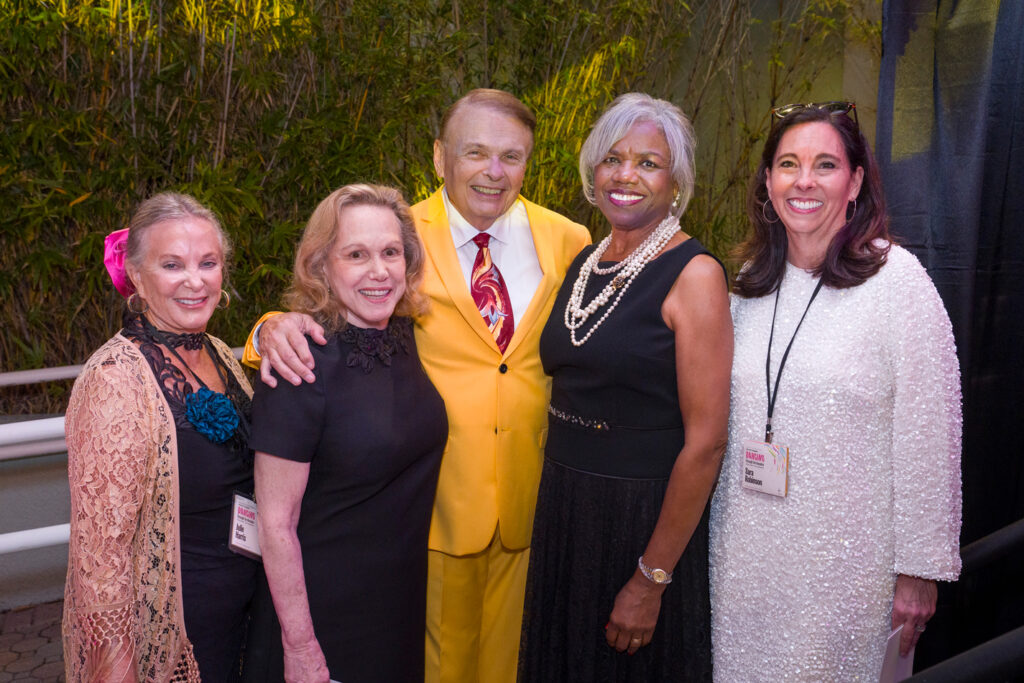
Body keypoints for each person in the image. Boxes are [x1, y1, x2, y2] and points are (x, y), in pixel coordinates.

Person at [243, 89, 591, 682]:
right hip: (428, 513)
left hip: (526, 506)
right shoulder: (399, 234)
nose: (493, 171)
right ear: (439, 157)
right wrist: (267, 329)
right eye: (475, 152)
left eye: (512, 156)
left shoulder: (569, 239)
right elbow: (326, 305)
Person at [709, 102, 962, 681]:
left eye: (825, 165)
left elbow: (932, 431)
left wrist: (920, 569)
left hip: (849, 570)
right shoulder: (747, 287)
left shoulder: (897, 282)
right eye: (788, 164)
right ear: (767, 182)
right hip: (744, 558)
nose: (803, 181)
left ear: (855, 183)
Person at [517, 93, 732, 681]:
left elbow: (708, 442)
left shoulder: (696, 275)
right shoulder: (585, 261)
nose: (626, 175)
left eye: (648, 163)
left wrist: (650, 578)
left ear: (676, 182)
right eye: (613, 158)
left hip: (641, 523)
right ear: (593, 170)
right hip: (566, 509)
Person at [242, 184, 447, 683]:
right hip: (324, 621)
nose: (378, 270)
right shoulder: (300, 363)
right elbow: (275, 524)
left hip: (397, 608)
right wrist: (301, 647)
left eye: (391, 253)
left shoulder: (405, 336)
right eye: (356, 254)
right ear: (321, 266)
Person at [63, 193, 258, 682]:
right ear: (137, 277)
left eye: (208, 263)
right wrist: (117, 671)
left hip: (248, 616)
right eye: (173, 265)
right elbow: (101, 563)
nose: (195, 281)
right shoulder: (115, 379)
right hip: (177, 639)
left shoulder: (218, 352)